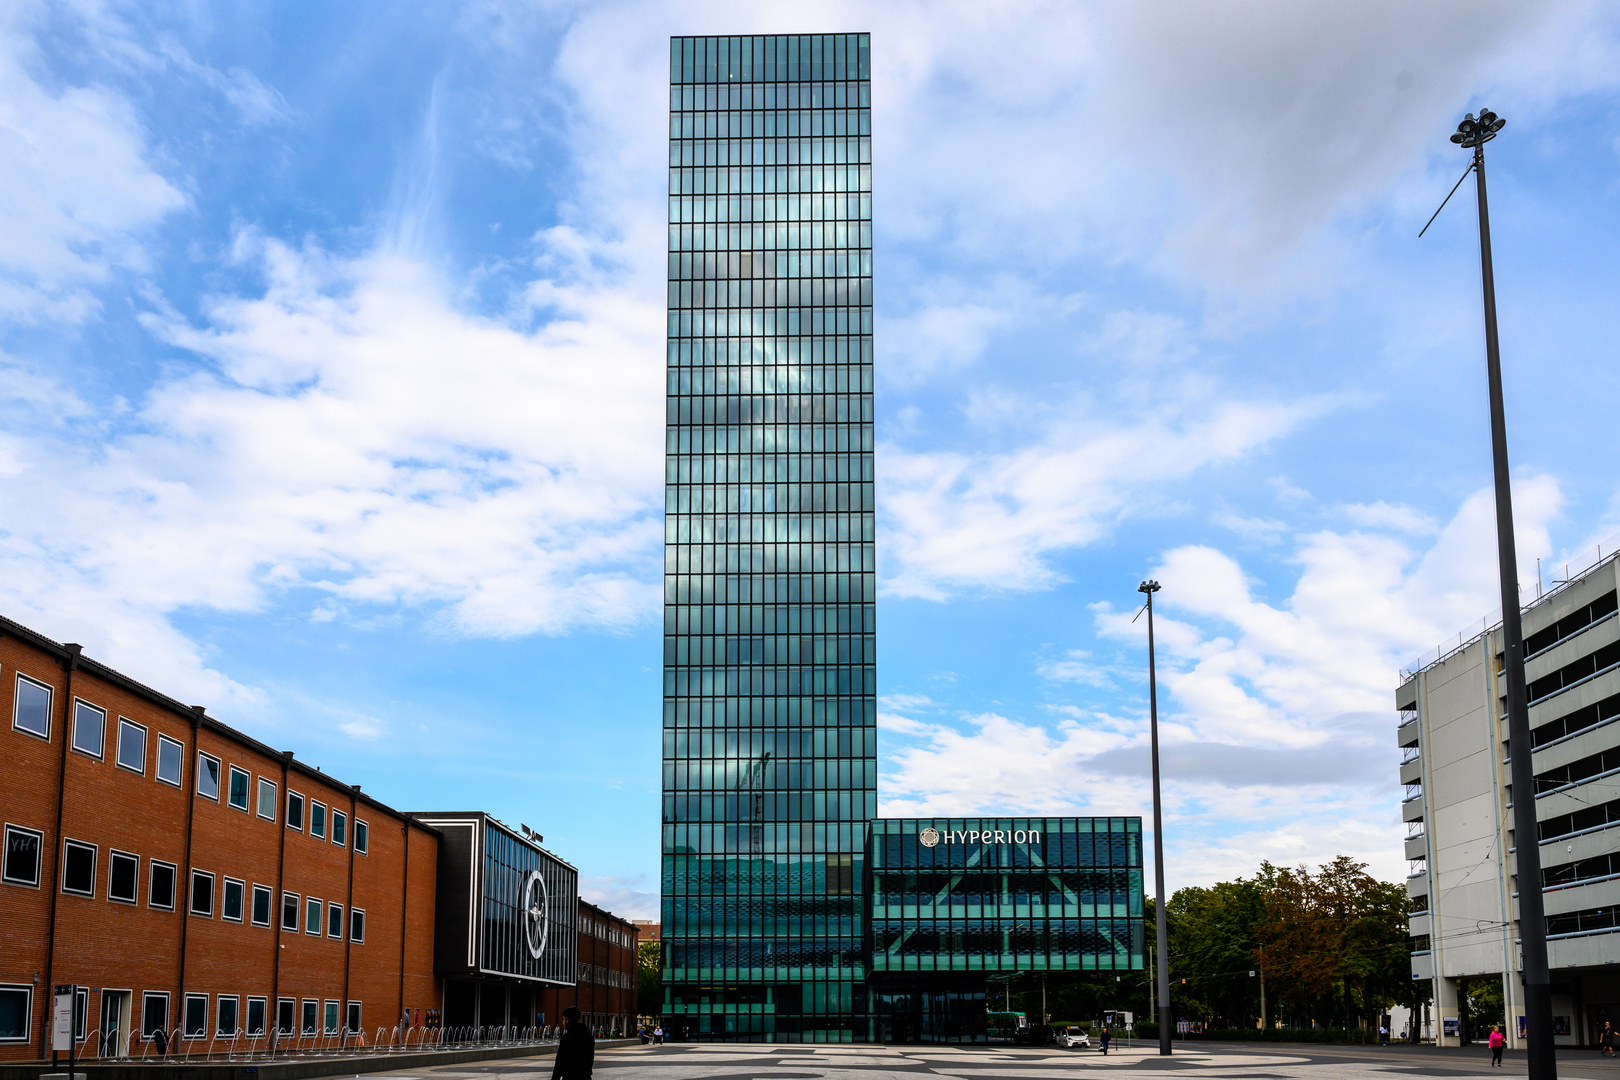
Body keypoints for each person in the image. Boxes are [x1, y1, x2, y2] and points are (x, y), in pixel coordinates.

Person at [552, 1007, 594, 1080]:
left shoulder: (567, 1037)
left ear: (567, 1020)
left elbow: (559, 1062)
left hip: (570, 1077)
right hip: (585, 1077)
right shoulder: (589, 1036)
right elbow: (590, 1059)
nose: (563, 1022)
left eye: (563, 1019)